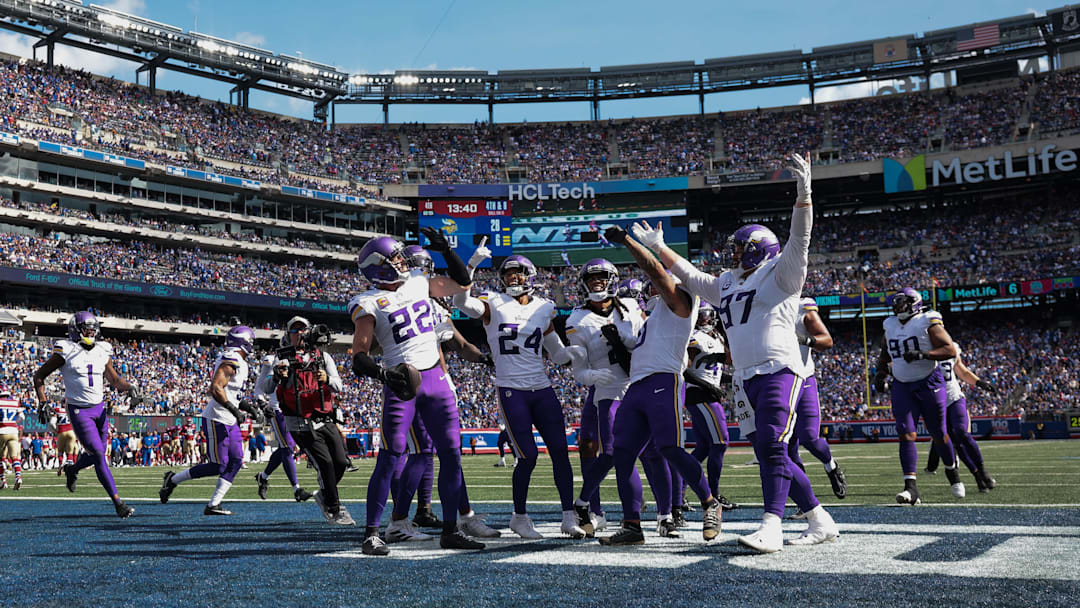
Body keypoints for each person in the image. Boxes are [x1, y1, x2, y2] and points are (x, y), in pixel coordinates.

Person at [631, 152, 838, 553]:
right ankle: (818, 517)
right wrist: (659, 248)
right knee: (766, 450)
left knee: (774, 446)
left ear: (760, 249)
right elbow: (689, 276)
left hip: (780, 369)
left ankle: (772, 525)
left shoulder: (781, 272)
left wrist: (804, 195)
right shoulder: (726, 282)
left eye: (741, 247)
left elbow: (801, 238)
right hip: (744, 378)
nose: (733, 253)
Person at [583, 225, 723, 547]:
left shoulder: (681, 300)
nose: (653, 286)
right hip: (638, 385)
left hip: (663, 381)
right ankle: (632, 525)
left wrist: (630, 243)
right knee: (622, 454)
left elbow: (655, 270)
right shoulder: (656, 313)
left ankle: (709, 502)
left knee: (670, 448)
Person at [350, 230, 484, 556]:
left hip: (436, 378)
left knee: (451, 454)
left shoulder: (418, 281)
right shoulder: (367, 301)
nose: (402, 261)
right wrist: (385, 374)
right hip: (402, 383)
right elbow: (359, 356)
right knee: (391, 455)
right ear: (379, 267)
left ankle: (451, 529)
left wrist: (448, 251)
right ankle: (372, 533)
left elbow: (462, 283)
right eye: (394, 258)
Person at [453, 253, 587, 540]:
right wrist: (471, 264)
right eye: (509, 273)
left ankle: (567, 516)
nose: (514, 277)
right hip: (512, 388)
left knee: (561, 453)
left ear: (531, 276)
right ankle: (520, 517)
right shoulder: (493, 302)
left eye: (519, 272)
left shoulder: (544, 308)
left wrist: (573, 354)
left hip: (542, 387)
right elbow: (461, 303)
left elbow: (557, 351)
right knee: (527, 456)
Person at [563, 258, 655, 537]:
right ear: (583, 285)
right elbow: (578, 368)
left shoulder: (630, 306)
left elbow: (646, 340)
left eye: (602, 278)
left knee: (654, 451)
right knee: (614, 452)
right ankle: (584, 504)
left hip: (639, 383)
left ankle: (662, 514)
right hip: (609, 390)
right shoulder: (576, 319)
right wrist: (590, 376)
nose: (597, 283)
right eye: (592, 279)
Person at [32, 311, 140, 517]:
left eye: (92, 328)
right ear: (75, 330)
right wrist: (43, 401)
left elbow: (115, 381)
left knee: (96, 454)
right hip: (79, 410)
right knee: (98, 455)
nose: (90, 331)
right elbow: (39, 376)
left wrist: (131, 388)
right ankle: (118, 503)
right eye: (86, 328)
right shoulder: (65, 349)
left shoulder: (102, 349)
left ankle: (72, 470)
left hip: (100, 409)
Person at [159, 325, 265, 515]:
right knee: (219, 465)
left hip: (229, 419)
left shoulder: (240, 361)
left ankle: (214, 504)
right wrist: (234, 409)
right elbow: (216, 388)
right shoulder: (231, 358)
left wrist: (249, 409)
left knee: (236, 461)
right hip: (218, 418)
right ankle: (173, 480)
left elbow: (233, 396)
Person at [875, 288, 964, 504]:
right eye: (895, 303)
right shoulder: (890, 324)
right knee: (906, 433)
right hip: (902, 385)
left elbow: (949, 350)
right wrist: (880, 372)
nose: (897, 307)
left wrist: (924, 354)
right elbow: (886, 352)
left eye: (901, 302)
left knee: (939, 433)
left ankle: (952, 472)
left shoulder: (928, 321)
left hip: (928, 382)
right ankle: (911, 489)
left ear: (914, 303)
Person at [269, 321, 350, 523]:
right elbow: (264, 386)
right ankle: (334, 507)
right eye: (295, 330)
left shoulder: (324, 357)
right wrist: (277, 376)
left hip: (323, 418)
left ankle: (324, 493)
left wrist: (327, 380)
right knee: (326, 463)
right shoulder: (281, 358)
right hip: (300, 422)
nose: (300, 334)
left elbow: (339, 386)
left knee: (340, 462)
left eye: (303, 329)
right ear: (289, 334)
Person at [789, 297, 847, 507]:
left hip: (802, 379)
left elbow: (826, 340)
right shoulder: (760, 304)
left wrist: (805, 340)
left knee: (809, 438)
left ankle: (831, 466)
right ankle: (804, 501)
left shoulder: (801, 308)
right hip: (776, 382)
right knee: (787, 447)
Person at [253, 316, 315, 503]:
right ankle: (297, 490)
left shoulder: (303, 359)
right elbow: (259, 386)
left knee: (285, 449)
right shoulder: (272, 360)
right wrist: (263, 404)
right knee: (287, 447)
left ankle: (262, 477)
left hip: (294, 409)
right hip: (277, 409)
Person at [683, 304, 737, 512]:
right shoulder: (694, 337)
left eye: (705, 316)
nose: (703, 319)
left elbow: (711, 371)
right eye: (699, 316)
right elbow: (684, 369)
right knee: (720, 442)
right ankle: (713, 495)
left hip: (707, 392)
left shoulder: (718, 338)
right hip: (698, 394)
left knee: (705, 447)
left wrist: (732, 379)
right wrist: (708, 387)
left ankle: (679, 493)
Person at [923, 344, 998, 492]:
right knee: (956, 444)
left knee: (962, 432)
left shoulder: (950, 347)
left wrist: (979, 382)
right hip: (935, 403)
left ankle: (983, 471)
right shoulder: (921, 350)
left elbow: (961, 371)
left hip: (954, 398)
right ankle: (977, 476)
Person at [0, 387, 24, 490]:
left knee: (1, 458)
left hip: (2, 430)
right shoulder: (15, 402)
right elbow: (22, 417)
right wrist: (14, 423)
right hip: (13, 431)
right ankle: (18, 477)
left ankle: (3, 481)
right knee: (14, 457)